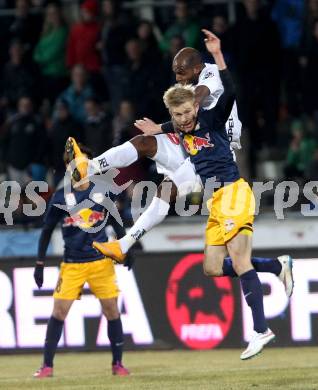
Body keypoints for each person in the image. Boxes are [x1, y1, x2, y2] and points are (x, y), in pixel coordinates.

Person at [90, 30, 289, 360]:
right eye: (177, 116)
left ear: (196, 106)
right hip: (215, 199)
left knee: (239, 261)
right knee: (212, 267)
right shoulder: (180, 127)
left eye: (187, 113)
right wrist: (159, 129)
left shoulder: (211, 113)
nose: (183, 119)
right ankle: (276, 266)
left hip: (234, 193)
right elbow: (177, 124)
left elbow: (229, 92)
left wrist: (219, 54)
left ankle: (260, 329)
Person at [32, 143, 130, 378]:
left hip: (100, 262)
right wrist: (39, 263)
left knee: (112, 310)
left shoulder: (102, 190)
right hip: (72, 264)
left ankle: (118, 364)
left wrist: (127, 249)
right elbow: (46, 230)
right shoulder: (60, 195)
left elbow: (116, 222)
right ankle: (47, 366)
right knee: (59, 311)